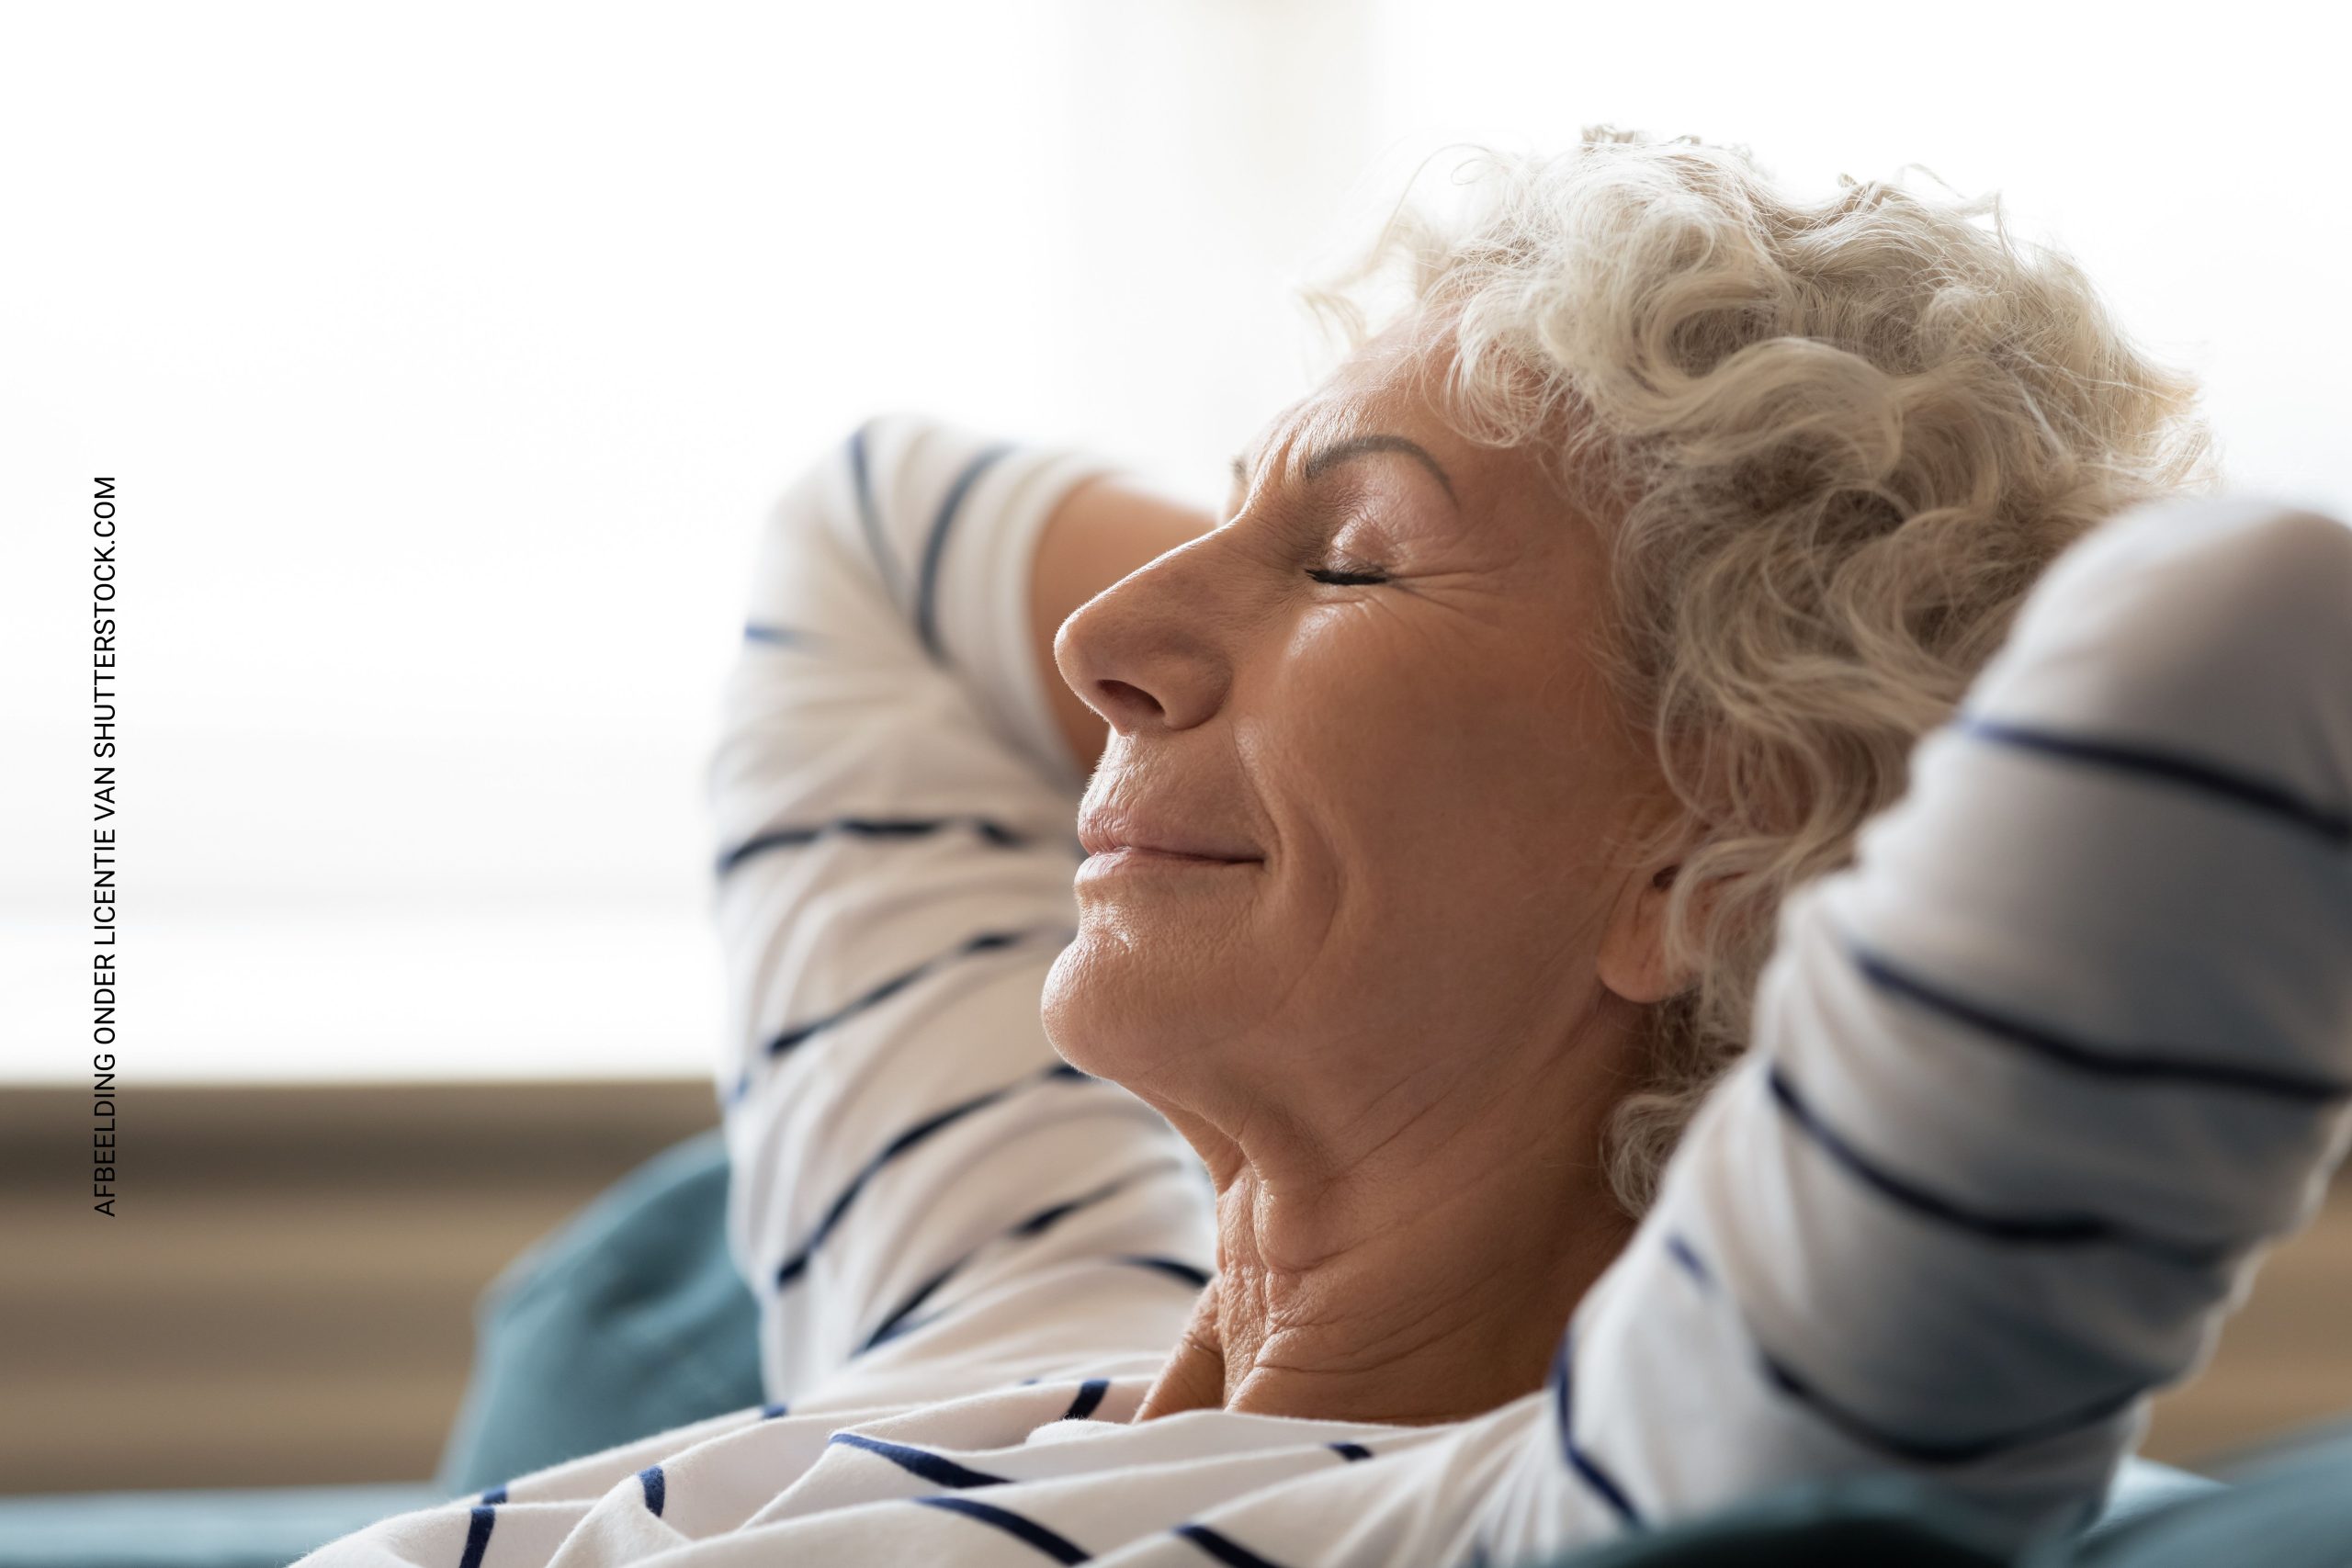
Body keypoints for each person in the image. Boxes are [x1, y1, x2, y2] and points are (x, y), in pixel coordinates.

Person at [300, 127, 2352, 1568]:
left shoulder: (1566, 1505)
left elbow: (2250, 632)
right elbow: (869, 532)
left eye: (1350, 561)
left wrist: (1807, 765)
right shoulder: (1015, 1286)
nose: (1098, 649)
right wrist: (1323, 613)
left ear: (1711, 847)